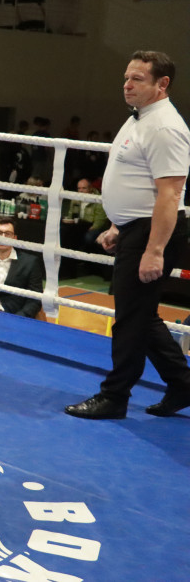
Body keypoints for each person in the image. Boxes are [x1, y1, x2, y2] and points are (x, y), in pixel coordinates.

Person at [66, 50, 190, 420]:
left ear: (161, 84)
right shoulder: (139, 119)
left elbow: (170, 194)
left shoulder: (165, 127)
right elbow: (138, 182)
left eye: (137, 79)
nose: (127, 85)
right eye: (126, 78)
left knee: (130, 320)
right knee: (141, 315)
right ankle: (183, 384)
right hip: (136, 228)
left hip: (152, 233)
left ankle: (114, 396)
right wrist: (118, 225)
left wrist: (154, 250)